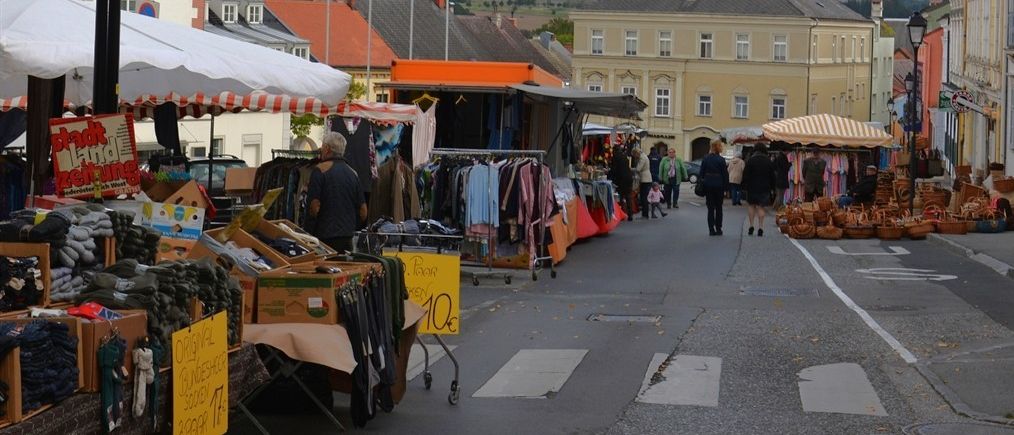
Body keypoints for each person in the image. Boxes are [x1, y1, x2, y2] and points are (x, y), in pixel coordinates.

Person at [306, 132, 367, 253]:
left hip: (324, 238)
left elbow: (314, 207)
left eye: (322, 146)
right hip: (347, 237)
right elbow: (363, 211)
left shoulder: (320, 170)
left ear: (327, 149)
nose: (321, 150)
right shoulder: (353, 173)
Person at [742, 144, 776, 237]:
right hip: (764, 187)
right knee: (761, 207)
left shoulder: (751, 160)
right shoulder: (768, 161)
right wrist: (773, 188)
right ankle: (760, 227)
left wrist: (744, 186)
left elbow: (745, 174)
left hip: (752, 187)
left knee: (751, 205)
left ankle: (751, 225)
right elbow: (772, 176)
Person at [701, 139, 730, 236]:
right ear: (718, 147)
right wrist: (726, 189)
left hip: (708, 185)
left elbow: (701, 173)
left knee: (710, 209)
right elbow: (725, 175)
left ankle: (711, 229)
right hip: (719, 186)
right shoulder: (721, 160)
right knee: (718, 208)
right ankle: (718, 228)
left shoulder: (705, 158)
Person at [609, 148, 634, 222]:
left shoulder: (615, 157)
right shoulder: (624, 157)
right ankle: (630, 214)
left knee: (621, 197)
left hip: (621, 179)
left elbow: (614, 170)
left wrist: (609, 173)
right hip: (629, 177)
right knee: (628, 196)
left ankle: (622, 214)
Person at [632, 148, 653, 219]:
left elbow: (638, 169)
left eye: (634, 155)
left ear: (636, 153)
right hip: (646, 179)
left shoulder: (642, 158)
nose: (635, 157)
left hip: (645, 179)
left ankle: (645, 214)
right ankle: (645, 214)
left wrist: (630, 169)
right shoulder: (643, 156)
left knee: (644, 198)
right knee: (644, 197)